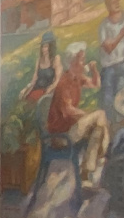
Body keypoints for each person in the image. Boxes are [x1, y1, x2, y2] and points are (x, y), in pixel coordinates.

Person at [45, 42, 109, 187]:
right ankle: (102, 155)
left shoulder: (77, 78)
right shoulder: (64, 82)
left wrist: (94, 70)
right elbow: (68, 110)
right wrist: (87, 116)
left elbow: (96, 84)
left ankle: (85, 173)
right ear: (73, 62)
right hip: (61, 135)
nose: (84, 62)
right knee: (100, 115)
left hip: (73, 129)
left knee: (98, 129)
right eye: (82, 59)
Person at [96, 0, 124, 115]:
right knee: (108, 99)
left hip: (122, 63)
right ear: (108, 6)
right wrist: (121, 34)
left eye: (118, 0)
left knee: (121, 96)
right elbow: (108, 48)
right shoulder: (104, 25)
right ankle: (109, 122)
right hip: (108, 66)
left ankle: (120, 122)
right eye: (114, 2)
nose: (117, 3)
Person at [18, 30, 61, 103]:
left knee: (38, 102)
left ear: (51, 47)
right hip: (36, 89)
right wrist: (26, 88)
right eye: (43, 47)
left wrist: (50, 89)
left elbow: (57, 80)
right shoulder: (39, 60)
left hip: (48, 92)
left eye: (46, 46)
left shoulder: (56, 59)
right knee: (24, 100)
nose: (44, 49)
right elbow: (34, 79)